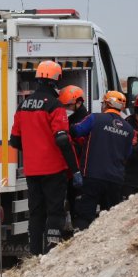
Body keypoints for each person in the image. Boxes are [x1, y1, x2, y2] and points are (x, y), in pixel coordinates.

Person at [9, 60, 82, 256]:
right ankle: (51, 252)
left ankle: (34, 254)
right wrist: (75, 169)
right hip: (54, 170)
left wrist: (33, 149)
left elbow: (14, 141)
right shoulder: (55, 106)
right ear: (56, 79)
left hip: (32, 171)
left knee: (36, 213)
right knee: (55, 211)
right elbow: (63, 140)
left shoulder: (22, 105)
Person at [69, 90, 134, 230]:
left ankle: (82, 245)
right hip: (115, 180)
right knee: (110, 218)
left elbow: (76, 131)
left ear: (107, 104)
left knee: (85, 215)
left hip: (92, 176)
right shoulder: (129, 129)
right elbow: (127, 154)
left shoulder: (95, 118)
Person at [58, 85, 90, 233]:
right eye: (64, 106)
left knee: (78, 203)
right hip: (69, 169)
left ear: (79, 102)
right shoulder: (68, 119)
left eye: (69, 105)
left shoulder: (86, 121)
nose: (66, 108)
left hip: (80, 169)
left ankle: (79, 229)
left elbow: (84, 147)